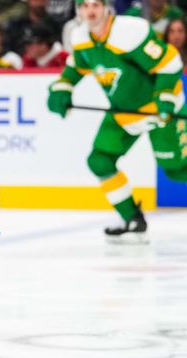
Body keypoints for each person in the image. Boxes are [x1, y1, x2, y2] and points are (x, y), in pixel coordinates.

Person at [47, 0, 187, 242]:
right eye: (85, 6)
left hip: (159, 111)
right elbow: (77, 66)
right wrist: (63, 88)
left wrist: (164, 98)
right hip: (123, 112)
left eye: (95, 5)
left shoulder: (130, 32)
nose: (90, 11)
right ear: (79, 11)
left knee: (176, 171)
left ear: (106, 8)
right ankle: (132, 217)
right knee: (100, 161)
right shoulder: (80, 37)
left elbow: (169, 61)